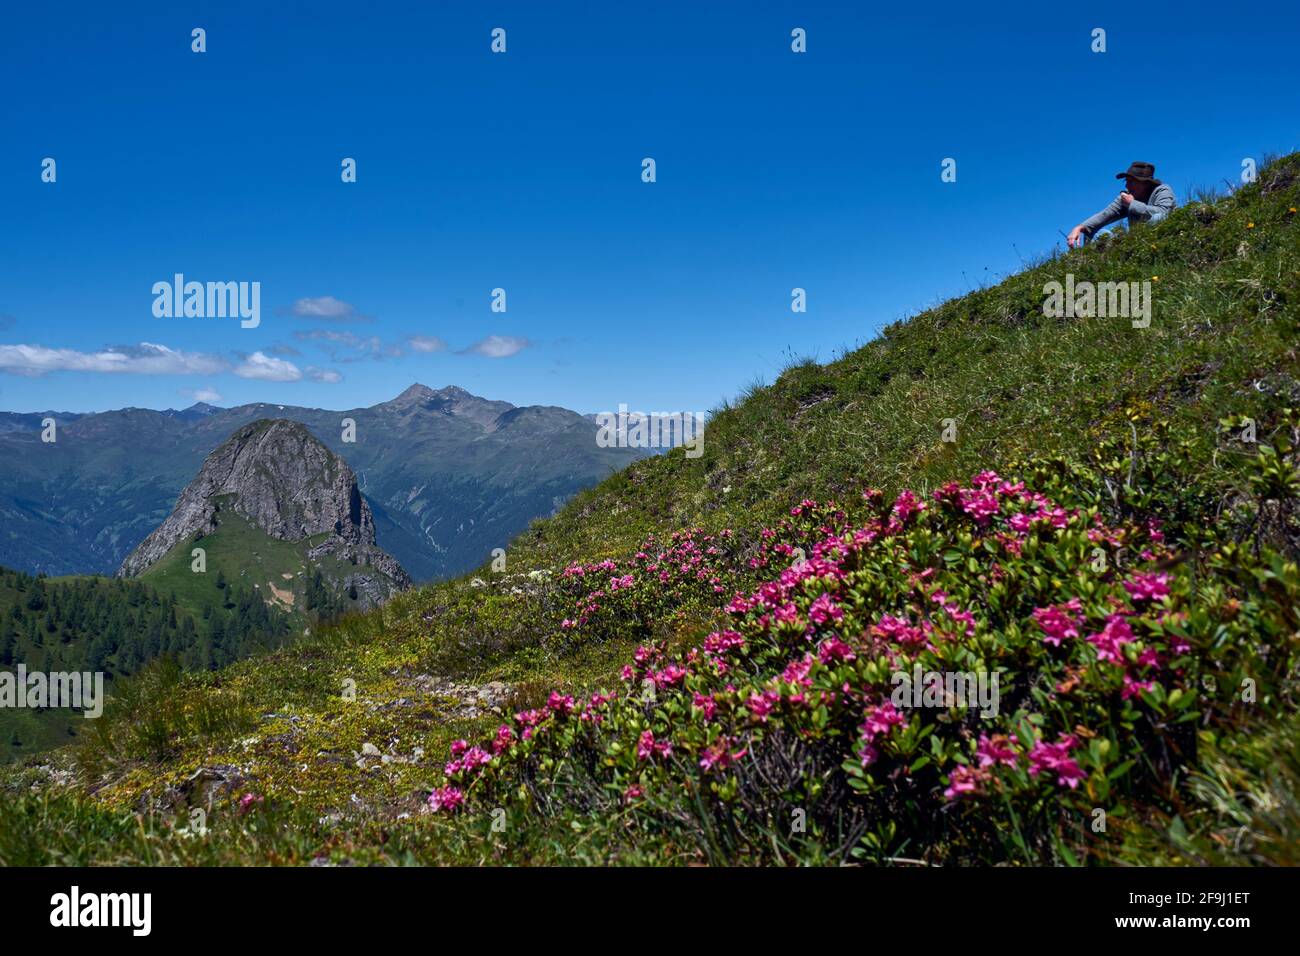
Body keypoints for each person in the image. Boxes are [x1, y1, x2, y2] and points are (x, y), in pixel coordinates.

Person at [1067, 162, 1176, 248]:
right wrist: (1080, 227)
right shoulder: (1126, 197)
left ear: (1145, 183)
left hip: (1163, 239)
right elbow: (1104, 215)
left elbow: (1164, 213)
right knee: (1099, 233)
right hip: (1134, 242)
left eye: (1132, 181)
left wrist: (1132, 204)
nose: (1127, 185)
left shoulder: (1162, 191)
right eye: (1126, 181)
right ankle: (1103, 261)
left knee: (1158, 218)